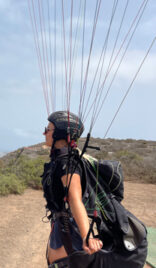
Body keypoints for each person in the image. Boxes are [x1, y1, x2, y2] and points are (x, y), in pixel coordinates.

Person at [41, 111, 103, 267]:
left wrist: (86, 236)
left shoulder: (67, 163)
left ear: (60, 134)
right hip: (61, 225)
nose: (44, 132)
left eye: (48, 129)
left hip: (68, 229)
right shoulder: (59, 159)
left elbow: (75, 199)